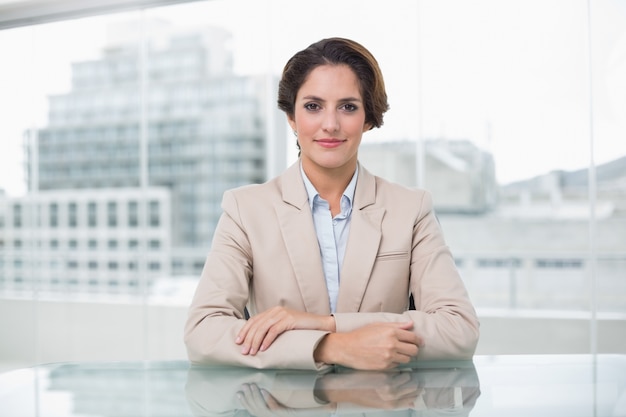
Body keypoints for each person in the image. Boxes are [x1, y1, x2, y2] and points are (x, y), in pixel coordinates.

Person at [184, 37, 479, 370]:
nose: (330, 124)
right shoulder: (245, 209)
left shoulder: (410, 209)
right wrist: (330, 346)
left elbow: (460, 330)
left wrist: (328, 324)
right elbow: (203, 332)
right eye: (313, 106)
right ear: (291, 118)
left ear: (368, 118)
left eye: (348, 107)